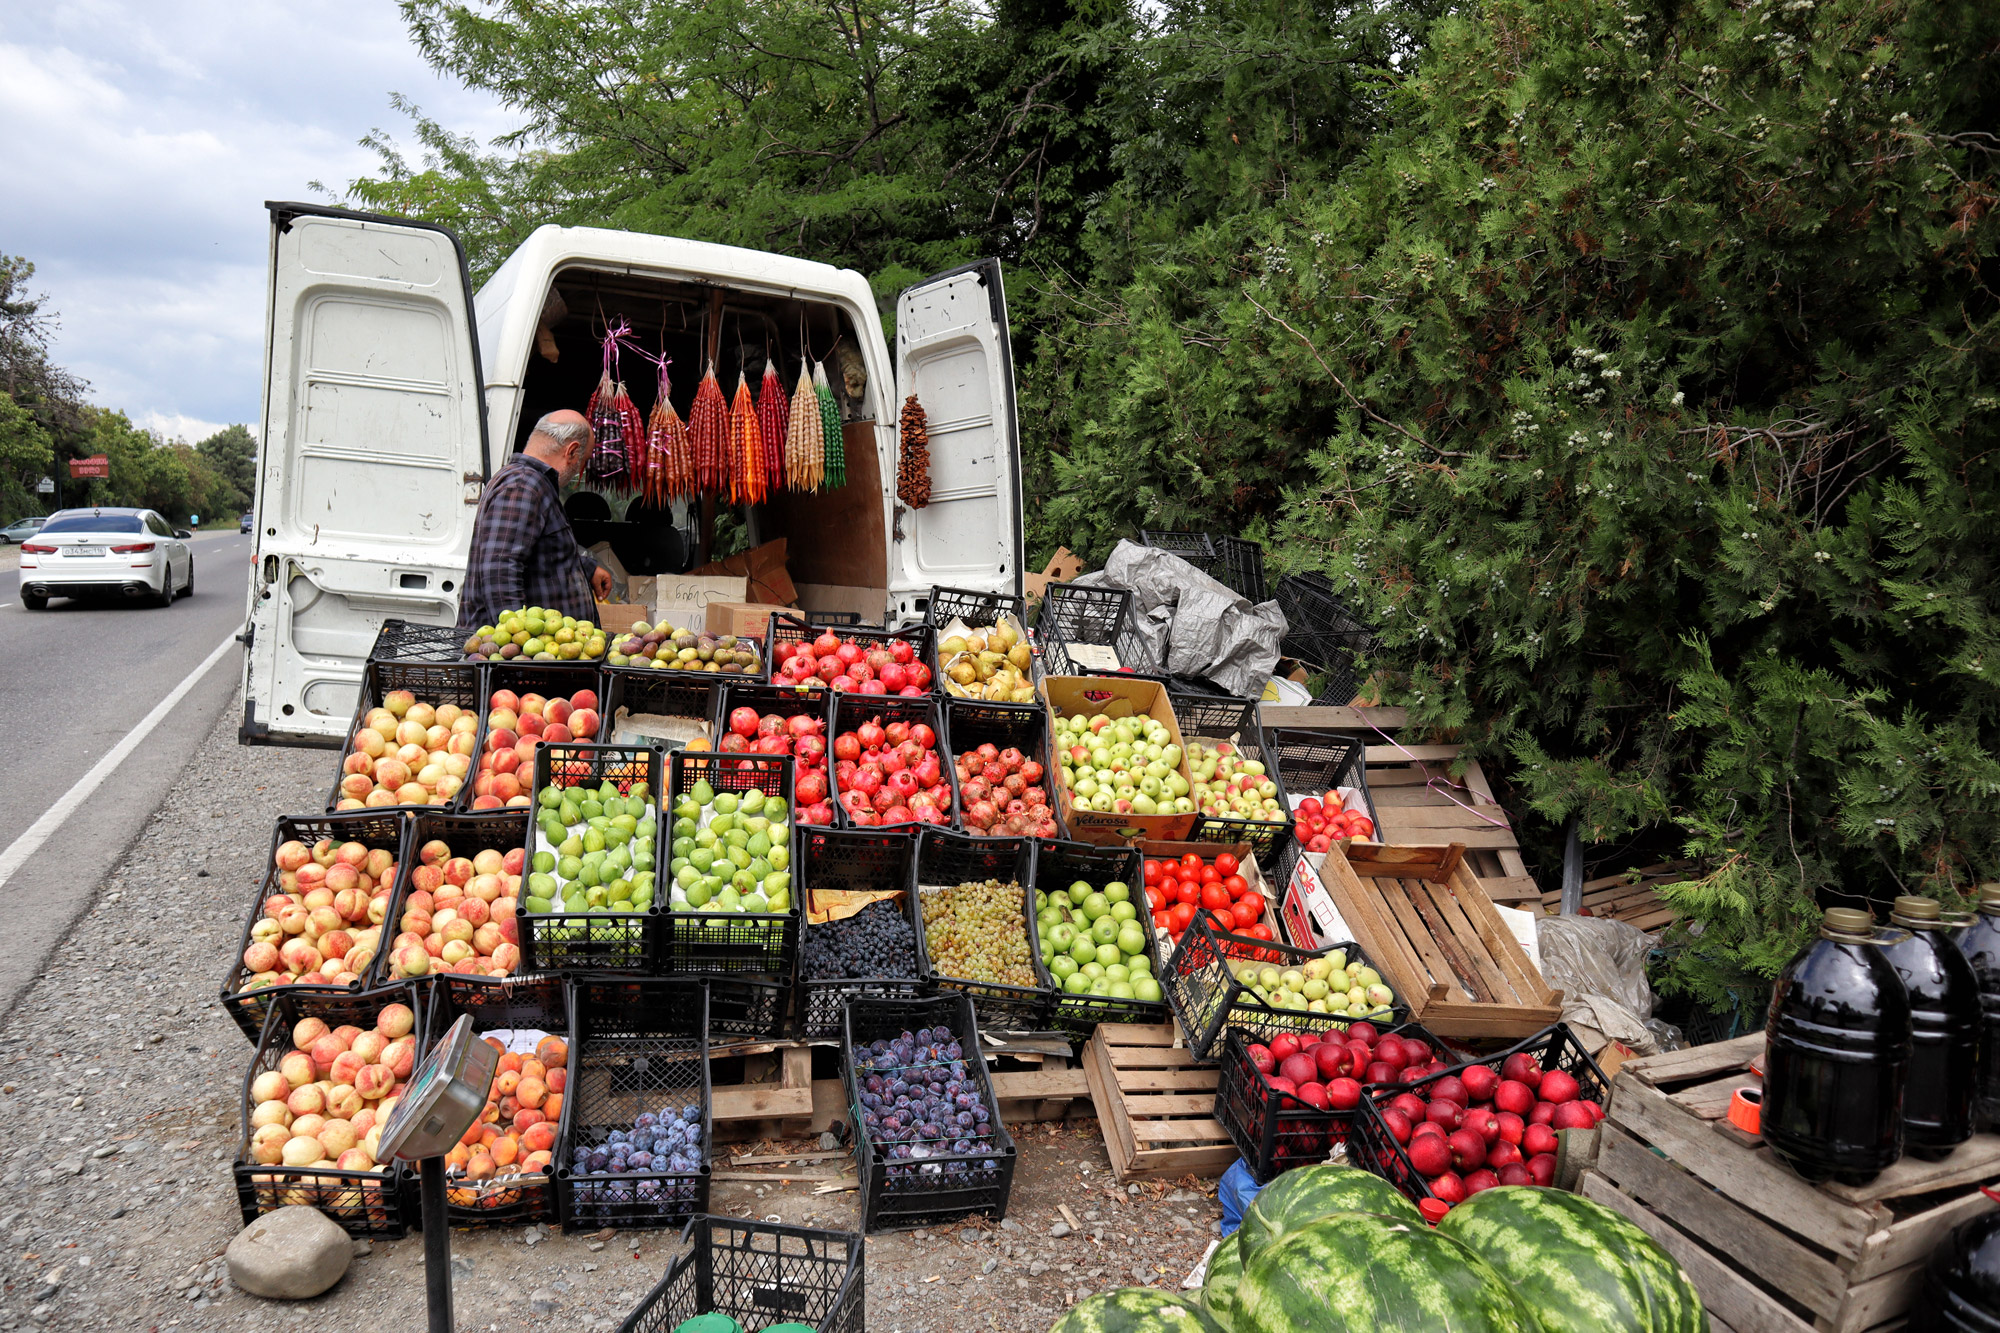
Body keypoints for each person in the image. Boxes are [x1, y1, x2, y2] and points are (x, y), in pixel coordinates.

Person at [456, 409, 612, 632]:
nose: (580, 470)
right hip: (521, 660)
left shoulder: (531, 484)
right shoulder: (522, 486)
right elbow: (500, 570)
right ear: (572, 452)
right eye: (583, 461)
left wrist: (585, 568)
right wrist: (517, 646)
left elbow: (536, 553)